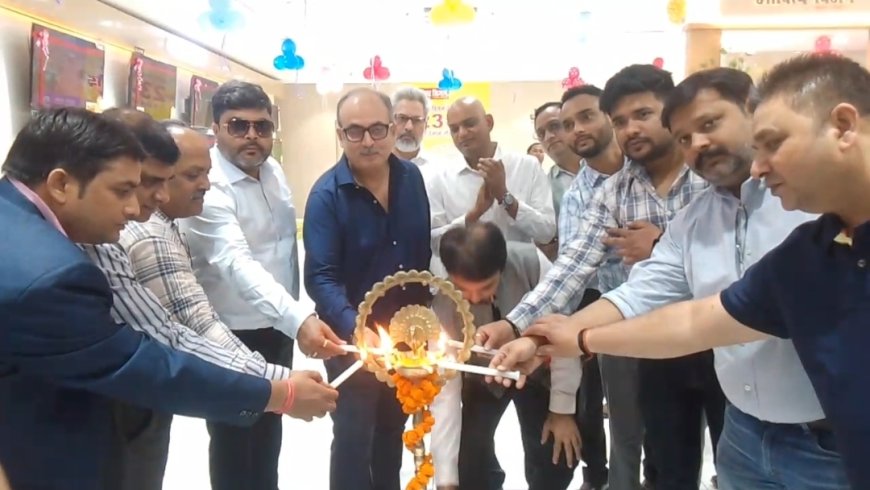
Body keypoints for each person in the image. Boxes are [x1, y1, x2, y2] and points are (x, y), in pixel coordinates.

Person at [509, 53, 870, 489]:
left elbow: (701, 322)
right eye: (684, 137)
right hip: (743, 432)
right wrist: (549, 334)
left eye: (710, 124)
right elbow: (670, 305)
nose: (697, 144)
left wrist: (580, 338)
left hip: (826, 442)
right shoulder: (718, 225)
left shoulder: (808, 209)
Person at [0, 108, 319, 490]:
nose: (135, 208)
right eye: (123, 191)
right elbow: (147, 362)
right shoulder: (53, 275)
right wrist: (279, 392)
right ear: (61, 184)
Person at [483, 65, 712, 490]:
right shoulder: (613, 192)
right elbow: (573, 266)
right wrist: (516, 325)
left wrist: (660, 244)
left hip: (728, 341)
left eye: (643, 114)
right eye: (621, 120)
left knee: (741, 459)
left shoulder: (709, 176)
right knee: (665, 461)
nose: (631, 129)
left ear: (672, 112)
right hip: (647, 338)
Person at [181, 81, 343, 490]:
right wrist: (299, 319)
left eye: (262, 126)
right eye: (238, 125)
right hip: (230, 334)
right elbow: (236, 263)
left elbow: (285, 249)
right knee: (235, 442)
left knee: (269, 435)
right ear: (216, 128)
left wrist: (293, 319)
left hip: (276, 328)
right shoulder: (208, 186)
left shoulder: (273, 171)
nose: (252, 135)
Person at [304, 87, 432, 490]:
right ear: (340, 135)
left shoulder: (411, 178)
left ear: (392, 129)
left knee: (392, 430)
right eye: (355, 131)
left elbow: (420, 255)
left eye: (377, 129)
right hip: (351, 344)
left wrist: (422, 326)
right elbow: (321, 278)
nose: (368, 141)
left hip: (406, 340)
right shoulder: (326, 196)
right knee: (354, 437)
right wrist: (359, 330)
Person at [430, 222, 582, 490]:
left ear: (501, 268)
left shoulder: (532, 265)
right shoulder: (442, 301)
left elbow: (564, 333)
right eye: (464, 290)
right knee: (469, 460)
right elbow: (445, 391)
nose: (475, 298)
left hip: (541, 372)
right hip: (482, 379)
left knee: (555, 453)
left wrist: (562, 409)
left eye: (486, 287)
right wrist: (446, 481)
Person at [530, 91, 620, 490]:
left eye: (560, 125)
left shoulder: (631, 172)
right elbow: (569, 260)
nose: (559, 134)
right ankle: (598, 477)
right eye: (552, 129)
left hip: (650, 304)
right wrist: (522, 329)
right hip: (583, 297)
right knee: (594, 398)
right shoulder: (562, 189)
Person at [426, 97, 556, 260]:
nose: (462, 133)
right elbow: (434, 244)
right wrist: (472, 216)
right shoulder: (440, 179)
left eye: (469, 124)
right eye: (454, 129)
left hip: (520, 273)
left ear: (488, 122)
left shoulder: (527, 166)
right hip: (463, 275)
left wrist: (505, 198)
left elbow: (547, 232)